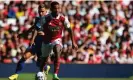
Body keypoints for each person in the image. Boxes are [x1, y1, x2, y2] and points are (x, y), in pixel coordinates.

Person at [36, 1, 78, 80]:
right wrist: (39, 31)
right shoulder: (46, 18)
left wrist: (73, 42)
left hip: (57, 39)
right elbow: (37, 27)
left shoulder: (63, 19)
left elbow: (70, 29)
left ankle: (55, 75)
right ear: (51, 9)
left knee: (57, 50)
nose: (57, 10)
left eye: (59, 8)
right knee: (44, 60)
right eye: (55, 8)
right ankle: (40, 73)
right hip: (46, 41)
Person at [8, 4, 50, 80]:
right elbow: (34, 27)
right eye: (39, 11)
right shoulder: (38, 19)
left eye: (42, 11)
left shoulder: (49, 19)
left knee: (39, 63)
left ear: (46, 11)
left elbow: (54, 31)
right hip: (36, 43)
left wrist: (43, 34)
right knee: (24, 57)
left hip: (43, 44)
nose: (40, 13)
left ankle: (46, 68)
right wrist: (24, 34)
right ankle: (16, 75)